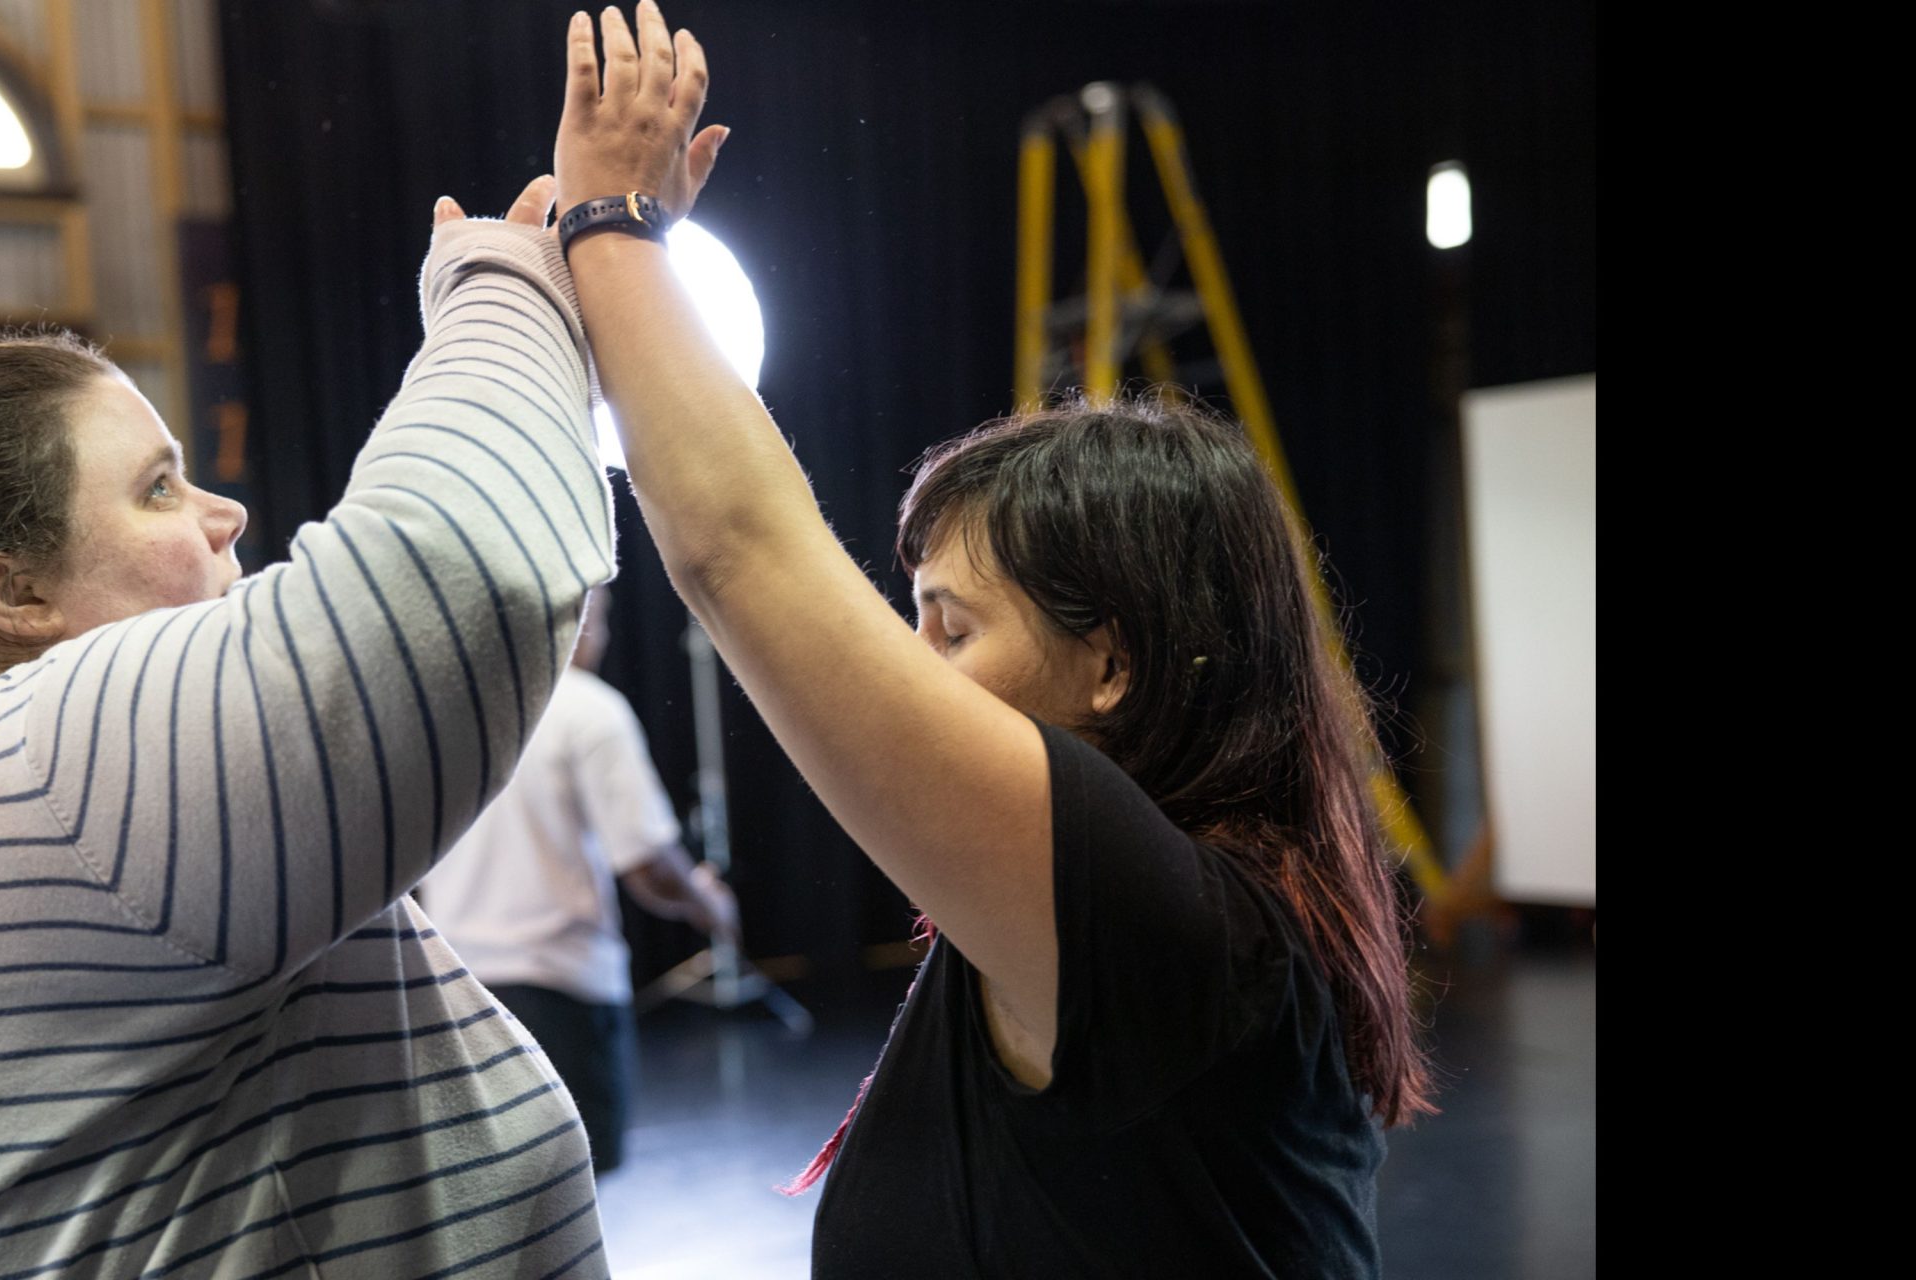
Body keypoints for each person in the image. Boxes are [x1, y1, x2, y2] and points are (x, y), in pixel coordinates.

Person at [541, 5, 1430, 1274]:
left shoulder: (1165, 927)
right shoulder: (1132, 923)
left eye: (949, 630)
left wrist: (612, 232)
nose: (907, 670)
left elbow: (739, 550)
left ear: (1113, 662)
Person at [0, 164, 686, 1276]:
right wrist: (517, 270)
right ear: (13, 594)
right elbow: (461, 573)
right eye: (160, 487)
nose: (226, 512)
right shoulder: (39, 758)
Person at [417, 583, 739, 1173]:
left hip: (456, 994)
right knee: (576, 1189)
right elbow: (648, 867)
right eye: (605, 619)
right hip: (558, 991)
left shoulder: (447, 710)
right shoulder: (587, 708)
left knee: (496, 1193)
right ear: (581, 618)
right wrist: (708, 904)